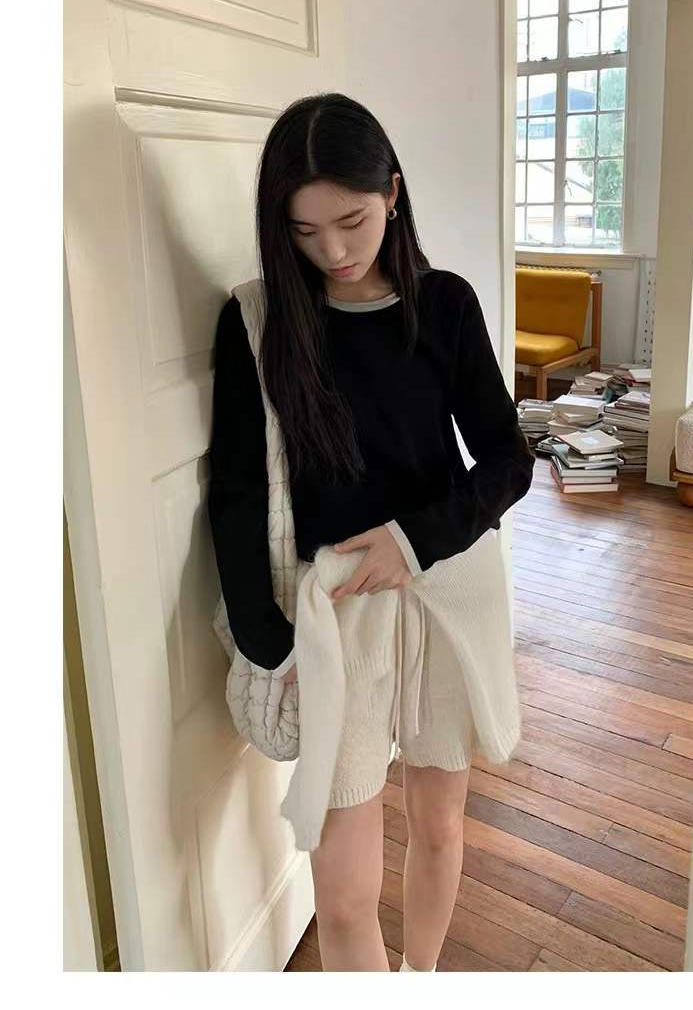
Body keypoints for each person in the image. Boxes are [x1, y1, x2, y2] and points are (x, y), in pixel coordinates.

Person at [208, 92, 535, 971]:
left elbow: (509, 460)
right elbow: (234, 493)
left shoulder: (446, 306)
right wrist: (269, 640)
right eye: (304, 231)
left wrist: (414, 540)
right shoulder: (259, 323)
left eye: (351, 221)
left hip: (448, 588)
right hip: (337, 613)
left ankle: (421, 977)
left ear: (392, 191)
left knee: (439, 824)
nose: (334, 251)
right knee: (345, 894)